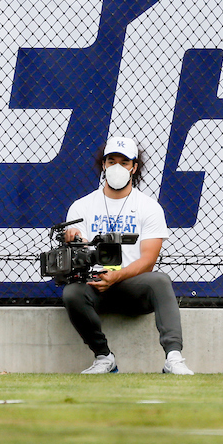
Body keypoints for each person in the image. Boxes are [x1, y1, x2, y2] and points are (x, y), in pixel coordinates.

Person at [61, 136, 194, 375]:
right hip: (96, 284)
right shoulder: (81, 206)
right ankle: (104, 357)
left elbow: (148, 261)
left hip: (132, 286)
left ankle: (173, 357)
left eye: (124, 162)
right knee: (72, 293)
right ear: (103, 164)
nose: (117, 168)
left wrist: (118, 276)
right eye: (111, 161)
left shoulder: (148, 207)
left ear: (134, 167)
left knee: (160, 280)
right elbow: (76, 256)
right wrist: (72, 238)